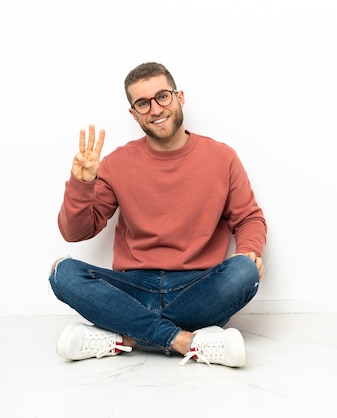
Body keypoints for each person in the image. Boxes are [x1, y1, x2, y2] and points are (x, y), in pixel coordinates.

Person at [49, 62, 266, 368]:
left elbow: (248, 219)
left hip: (197, 287)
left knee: (244, 271)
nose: (155, 108)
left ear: (180, 97)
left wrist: (249, 251)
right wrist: (82, 183)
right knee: (63, 273)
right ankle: (186, 341)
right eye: (143, 103)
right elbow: (76, 232)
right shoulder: (116, 163)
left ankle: (125, 337)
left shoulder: (222, 157)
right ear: (134, 113)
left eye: (162, 96)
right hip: (134, 287)